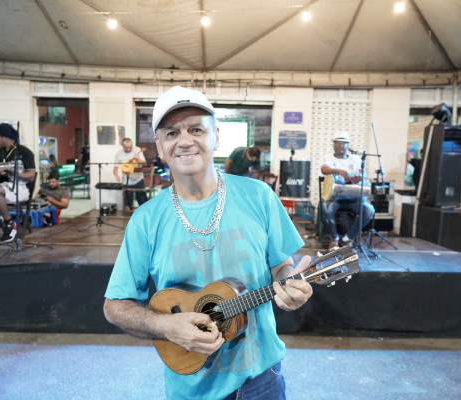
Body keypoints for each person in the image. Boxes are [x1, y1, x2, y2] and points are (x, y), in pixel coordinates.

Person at [103, 86, 313, 400]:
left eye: (196, 129)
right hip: (191, 387)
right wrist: (166, 327)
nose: (185, 141)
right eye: (171, 133)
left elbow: (281, 267)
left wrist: (289, 283)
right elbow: (114, 307)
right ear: (160, 147)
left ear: (216, 137)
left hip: (261, 379)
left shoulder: (259, 196)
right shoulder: (145, 220)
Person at [320, 132, 375, 249]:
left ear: (348, 145)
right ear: (334, 145)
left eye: (344, 143)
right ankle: (334, 238)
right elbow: (324, 169)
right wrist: (339, 171)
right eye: (338, 143)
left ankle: (348, 238)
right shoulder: (328, 158)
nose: (341, 145)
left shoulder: (356, 159)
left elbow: (362, 174)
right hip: (335, 198)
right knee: (326, 208)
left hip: (353, 198)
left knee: (369, 210)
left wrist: (359, 178)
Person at [113, 137, 148, 210]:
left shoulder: (137, 150)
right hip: (126, 181)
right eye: (126, 147)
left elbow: (144, 163)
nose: (128, 149)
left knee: (143, 202)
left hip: (138, 179)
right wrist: (117, 176)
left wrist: (138, 159)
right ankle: (128, 215)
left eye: (130, 147)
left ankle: (144, 215)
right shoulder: (119, 154)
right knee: (127, 204)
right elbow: (115, 168)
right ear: (122, 146)